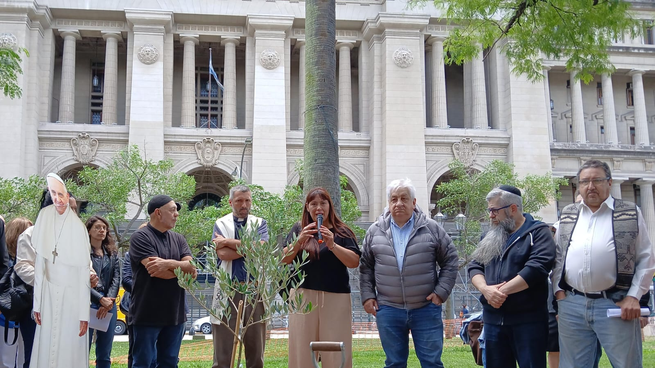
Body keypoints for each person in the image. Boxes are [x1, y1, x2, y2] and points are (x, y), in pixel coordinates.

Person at [552, 160, 655, 368]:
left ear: (609, 183)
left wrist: (634, 297)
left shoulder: (629, 212)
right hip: (572, 304)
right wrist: (558, 293)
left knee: (627, 365)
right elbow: (559, 257)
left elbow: (646, 258)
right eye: (584, 181)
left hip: (616, 304)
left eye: (597, 180)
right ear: (578, 185)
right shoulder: (568, 214)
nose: (590, 186)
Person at [360, 178, 458, 368]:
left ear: (414, 202)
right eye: (394, 199)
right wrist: (367, 296)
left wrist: (441, 292)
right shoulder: (375, 231)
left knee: (432, 363)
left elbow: (451, 259)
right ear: (388, 203)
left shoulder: (431, 228)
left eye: (404, 198)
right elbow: (366, 267)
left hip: (426, 308)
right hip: (388, 309)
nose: (398, 204)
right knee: (394, 363)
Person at [468, 185, 556, 368]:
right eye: (489, 210)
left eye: (494, 210)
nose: (490, 215)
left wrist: (499, 293)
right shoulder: (489, 235)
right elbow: (475, 266)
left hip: (529, 322)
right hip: (493, 321)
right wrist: (485, 290)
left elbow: (537, 268)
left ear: (513, 209)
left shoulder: (539, 232)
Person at [14, 190, 98, 368]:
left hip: (72, 306)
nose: (74, 214)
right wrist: (52, 281)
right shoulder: (31, 234)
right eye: (70, 208)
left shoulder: (77, 236)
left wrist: (90, 275)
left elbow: (85, 265)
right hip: (41, 305)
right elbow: (23, 266)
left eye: (75, 209)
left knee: (71, 357)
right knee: (36, 356)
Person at [282, 187, 361, 368]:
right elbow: (284, 259)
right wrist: (299, 240)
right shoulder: (298, 229)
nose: (319, 208)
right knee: (301, 348)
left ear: (329, 206)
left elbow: (354, 261)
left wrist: (332, 245)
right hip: (302, 297)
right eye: (314, 204)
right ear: (307, 207)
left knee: (336, 349)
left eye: (323, 203)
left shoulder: (342, 232)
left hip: (336, 298)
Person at [30, 173, 92, 367]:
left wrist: (83, 313)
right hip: (48, 296)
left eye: (73, 207)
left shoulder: (79, 232)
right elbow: (39, 270)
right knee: (46, 347)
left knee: (70, 348)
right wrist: (37, 304)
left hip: (73, 301)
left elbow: (84, 275)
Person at [129, 195, 197, 368]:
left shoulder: (179, 239)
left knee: (170, 363)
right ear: (158, 213)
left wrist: (168, 264)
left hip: (176, 314)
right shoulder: (140, 237)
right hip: (147, 315)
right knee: (143, 363)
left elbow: (193, 269)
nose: (176, 214)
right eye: (172, 210)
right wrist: (183, 269)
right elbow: (157, 272)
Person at [210, 185, 269, 368]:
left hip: (254, 289)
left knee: (255, 347)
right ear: (230, 202)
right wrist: (248, 248)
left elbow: (261, 248)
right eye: (239, 201)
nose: (244, 204)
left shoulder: (259, 223)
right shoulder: (221, 223)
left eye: (247, 200)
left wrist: (227, 242)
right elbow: (222, 255)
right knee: (223, 347)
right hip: (228, 290)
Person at [87, 215, 120, 368]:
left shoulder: (112, 254)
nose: (101, 230)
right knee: (82, 348)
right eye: (97, 227)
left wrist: (108, 301)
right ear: (88, 230)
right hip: (87, 303)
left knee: (105, 351)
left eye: (104, 228)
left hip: (108, 305)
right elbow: (81, 281)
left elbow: (116, 278)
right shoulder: (83, 252)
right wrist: (100, 299)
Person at [0, 218, 32, 368]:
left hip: (25, 314)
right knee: (7, 359)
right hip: (5, 315)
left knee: (23, 357)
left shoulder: (28, 259)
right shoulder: (6, 261)